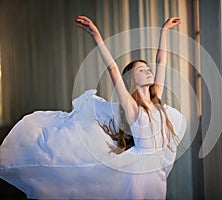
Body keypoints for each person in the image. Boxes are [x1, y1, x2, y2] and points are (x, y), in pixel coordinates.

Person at [0, 16, 186, 199]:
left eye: (148, 69)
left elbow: (161, 61)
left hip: (157, 172)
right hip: (139, 174)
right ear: (131, 80)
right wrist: (97, 36)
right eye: (141, 70)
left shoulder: (157, 100)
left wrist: (164, 31)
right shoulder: (132, 108)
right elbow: (113, 69)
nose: (148, 72)